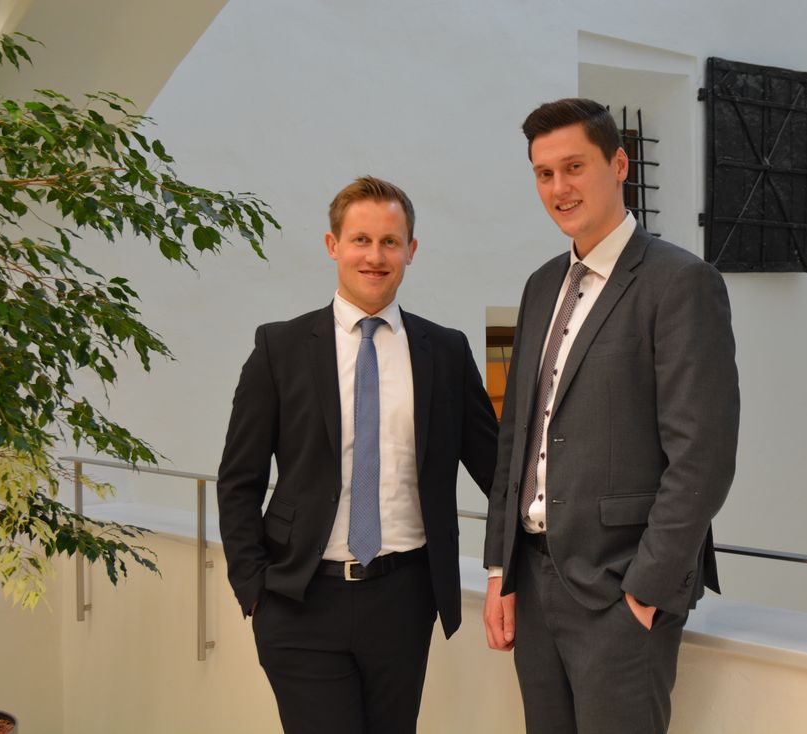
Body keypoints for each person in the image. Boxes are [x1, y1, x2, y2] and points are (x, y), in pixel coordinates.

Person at [483, 98, 740, 733]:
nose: (559, 188)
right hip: (533, 583)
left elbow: (702, 457)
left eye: (574, 167)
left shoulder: (682, 282)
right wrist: (499, 569)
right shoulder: (539, 285)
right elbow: (516, 436)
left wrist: (645, 592)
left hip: (620, 592)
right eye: (544, 173)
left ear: (619, 164)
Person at [217, 176, 498, 734]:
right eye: (361, 240)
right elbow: (239, 479)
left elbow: (498, 471)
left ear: (411, 250)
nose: (375, 256)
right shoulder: (280, 348)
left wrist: (522, 558)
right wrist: (253, 589)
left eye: (390, 242)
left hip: (404, 598)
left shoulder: (446, 350)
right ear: (333, 245)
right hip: (300, 600)